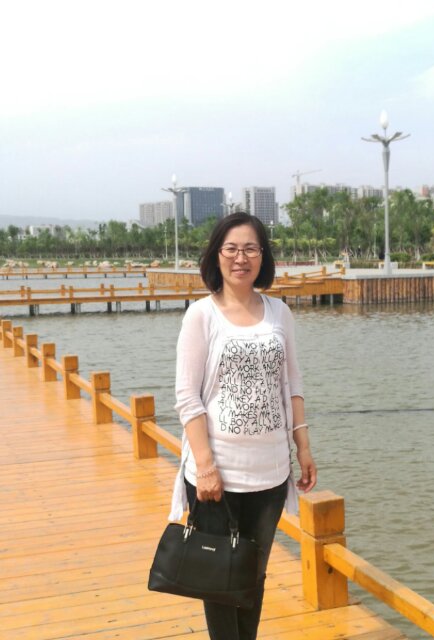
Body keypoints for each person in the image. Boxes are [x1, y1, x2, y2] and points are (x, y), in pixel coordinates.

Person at [169, 212, 317, 640]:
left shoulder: (279, 313)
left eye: (251, 248)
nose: (241, 257)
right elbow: (187, 397)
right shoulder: (201, 315)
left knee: (253, 575)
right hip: (218, 474)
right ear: (217, 255)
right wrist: (205, 467)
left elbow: (293, 383)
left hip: (270, 474)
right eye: (232, 248)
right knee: (219, 579)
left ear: (263, 256)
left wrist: (303, 448)